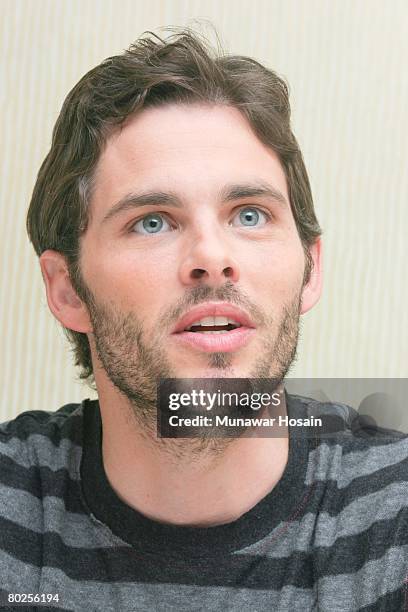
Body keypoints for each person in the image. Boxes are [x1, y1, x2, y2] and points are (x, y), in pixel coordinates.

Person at [1, 26, 407, 612]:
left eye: (248, 214)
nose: (213, 258)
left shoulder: (392, 512)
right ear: (69, 292)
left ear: (309, 271)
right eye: (153, 221)